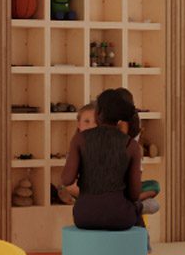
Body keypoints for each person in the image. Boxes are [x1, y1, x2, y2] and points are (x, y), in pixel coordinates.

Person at [57, 88, 151, 230]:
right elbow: (134, 193)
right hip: (120, 217)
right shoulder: (131, 145)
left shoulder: (80, 139)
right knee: (137, 207)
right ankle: (142, 248)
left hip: (85, 215)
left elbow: (66, 180)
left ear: (98, 113)